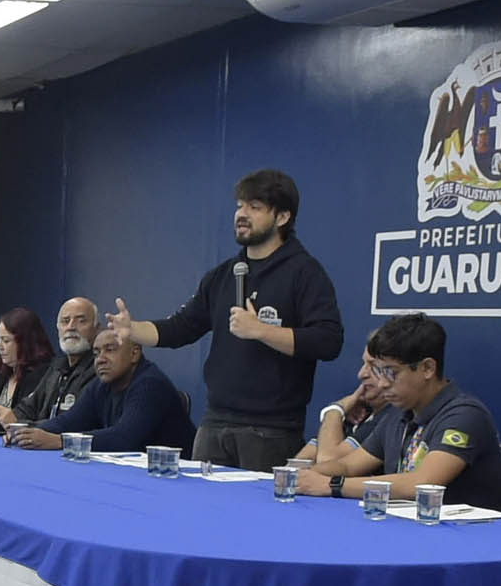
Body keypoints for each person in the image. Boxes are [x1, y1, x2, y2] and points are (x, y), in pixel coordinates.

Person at [110, 169, 344, 472]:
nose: (242, 214)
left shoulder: (304, 273)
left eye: (255, 207)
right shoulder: (223, 275)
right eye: (239, 206)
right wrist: (133, 330)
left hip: (270, 431)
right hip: (214, 424)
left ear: (283, 217)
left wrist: (261, 331)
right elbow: (181, 328)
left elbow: (328, 341)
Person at [295, 313, 501, 508]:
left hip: (468, 534)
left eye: (391, 372)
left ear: (427, 368)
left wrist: (331, 485)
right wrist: (301, 476)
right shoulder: (399, 414)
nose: (382, 384)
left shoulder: (464, 415)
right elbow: (347, 466)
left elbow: (421, 483)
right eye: (379, 372)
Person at [11, 328, 196, 454]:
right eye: (96, 353)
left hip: (173, 477)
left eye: (110, 350)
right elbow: (69, 421)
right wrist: (26, 433)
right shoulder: (101, 385)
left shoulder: (150, 384)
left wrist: (59, 441)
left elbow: (124, 438)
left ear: (134, 353)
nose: (100, 359)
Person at [0, 297, 100, 426]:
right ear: (58, 328)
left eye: (81, 321)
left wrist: (24, 426)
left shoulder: (98, 369)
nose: (71, 327)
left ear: (97, 328)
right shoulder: (57, 367)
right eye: (65, 321)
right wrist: (2, 418)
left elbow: (74, 422)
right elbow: (29, 407)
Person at [291, 341, 391, 463]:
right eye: (364, 364)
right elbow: (300, 461)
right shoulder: (359, 413)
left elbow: (328, 460)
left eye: (373, 366)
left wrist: (335, 410)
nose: (361, 374)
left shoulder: (389, 416)